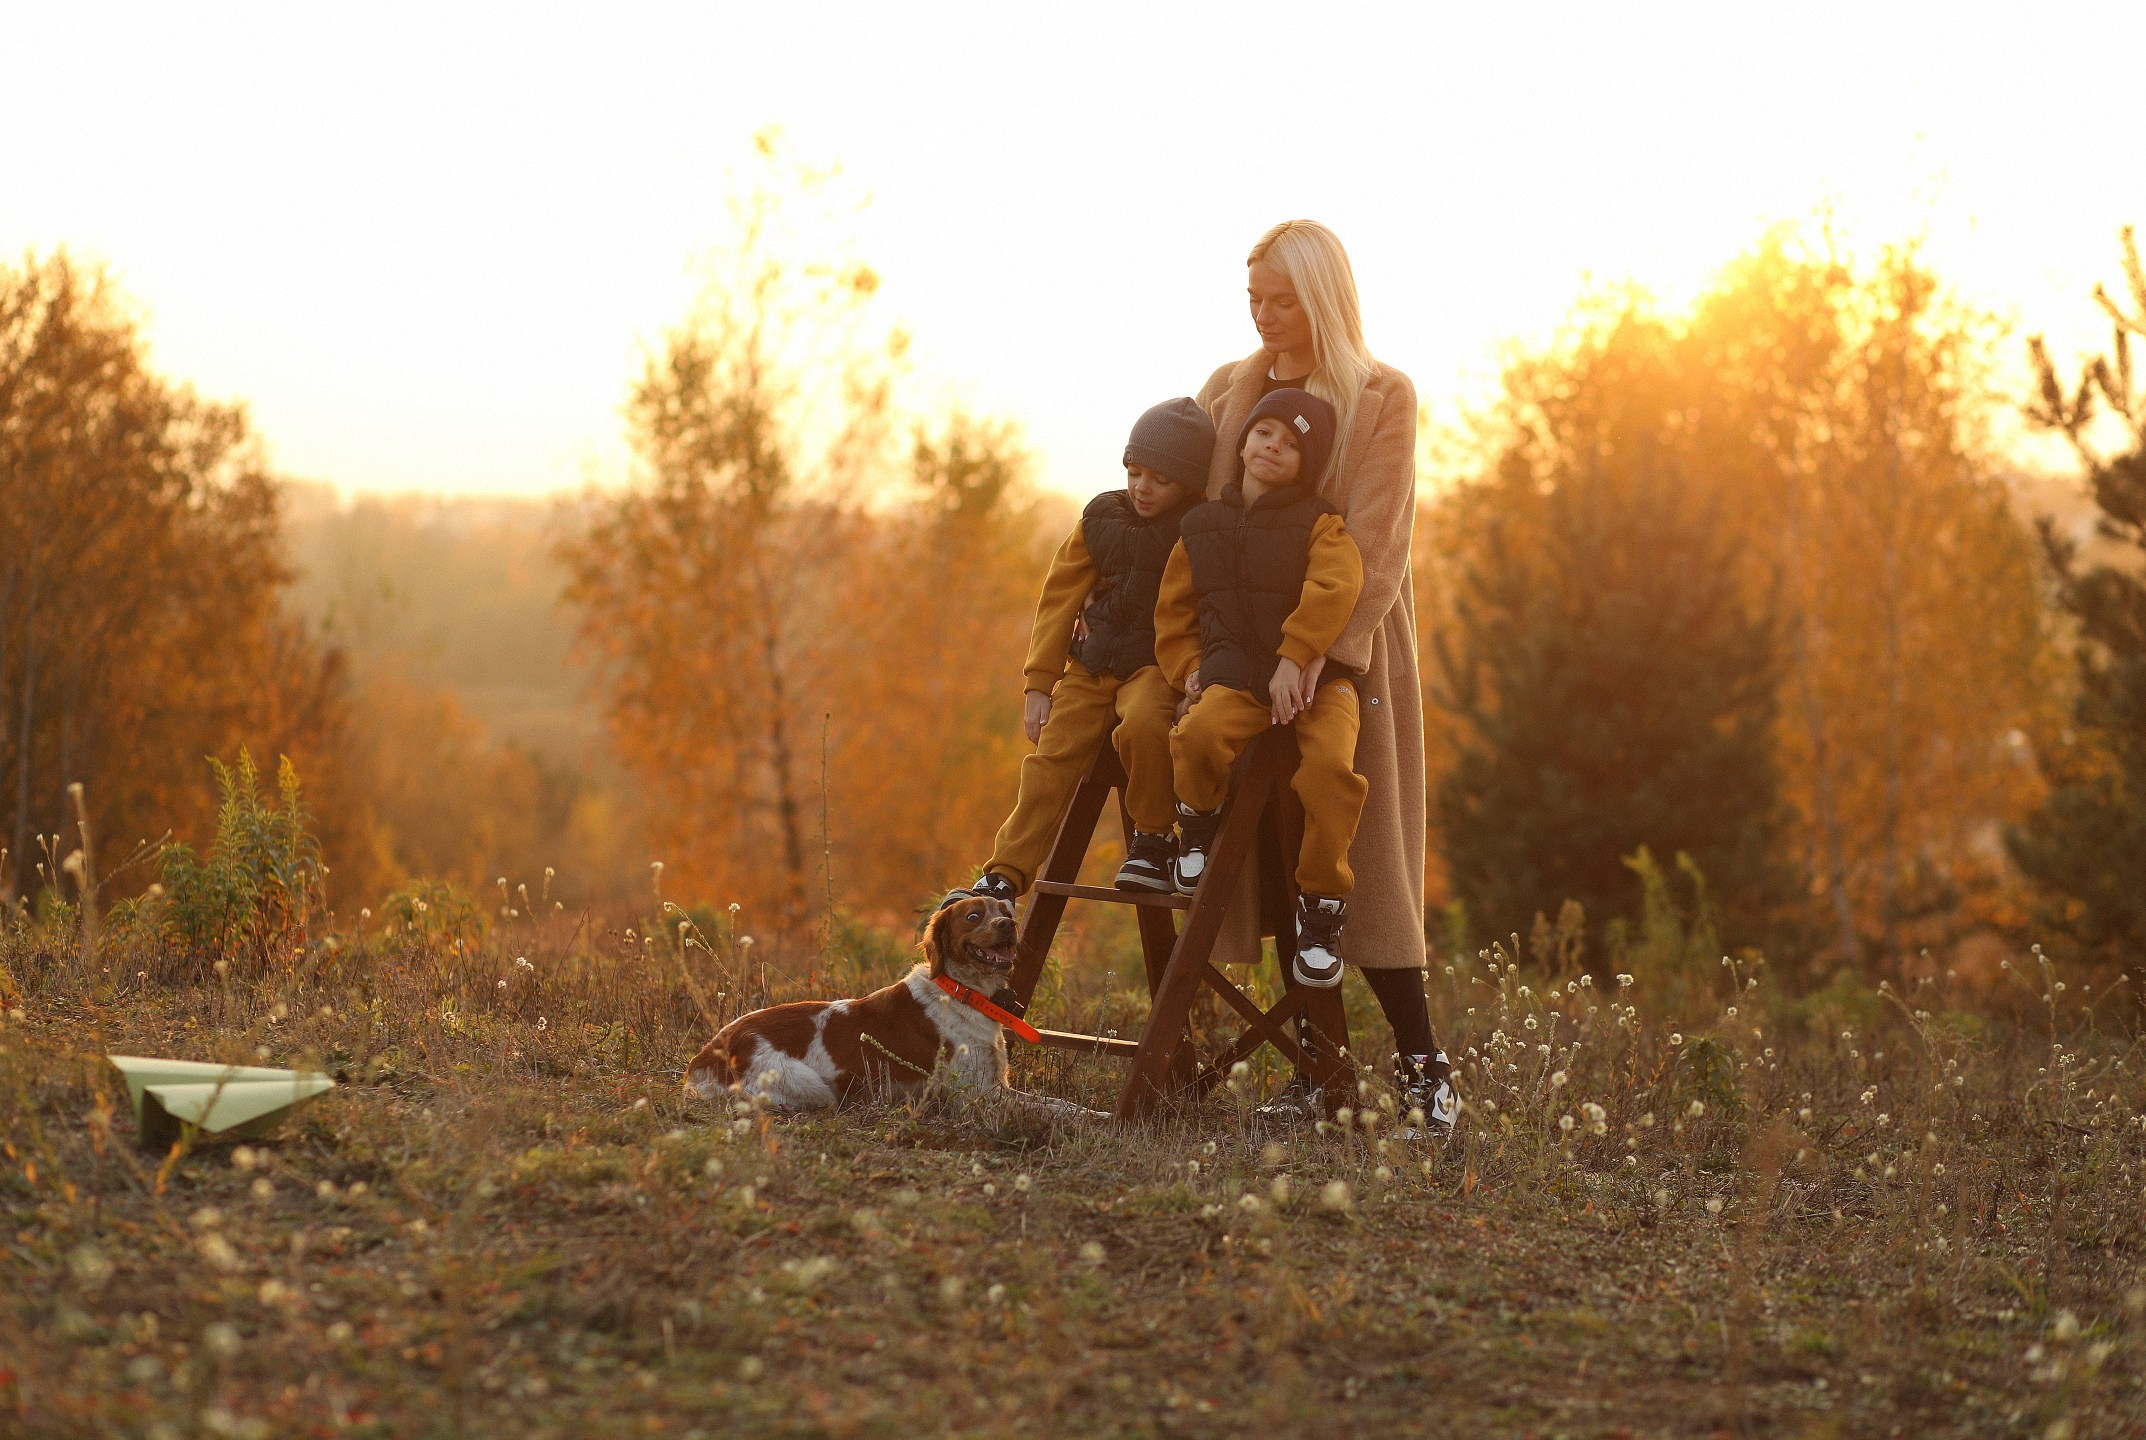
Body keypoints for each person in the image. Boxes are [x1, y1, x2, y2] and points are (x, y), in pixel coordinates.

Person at [1193, 220, 1456, 1136]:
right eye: (1253, 298)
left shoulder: (1383, 396)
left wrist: (1315, 657)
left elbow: (1381, 543)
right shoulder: (1230, 390)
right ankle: (1319, 1072)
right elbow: (1196, 516)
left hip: (1349, 650)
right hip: (1240, 653)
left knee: (1358, 862)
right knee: (1268, 857)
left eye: (1283, 300)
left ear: (1325, 297)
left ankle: (1427, 1073)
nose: (1265, 315)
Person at [953, 398, 1215, 904]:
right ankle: (1005, 874)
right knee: (1051, 756)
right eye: (1136, 472)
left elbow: (1212, 605)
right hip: (1091, 666)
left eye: (1160, 479)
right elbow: (1059, 598)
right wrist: (1038, 684)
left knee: (1144, 726)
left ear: (1187, 482)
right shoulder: (1101, 518)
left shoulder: (1198, 531)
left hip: (1154, 668)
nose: (1143, 487)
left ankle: (1154, 840)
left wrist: (1196, 675)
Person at [1155, 387, 1366, 989]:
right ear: (1242, 443)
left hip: (1318, 685)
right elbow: (1172, 611)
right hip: (1236, 677)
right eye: (1264, 433)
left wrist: (1295, 657)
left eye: (1293, 444)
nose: (1274, 447)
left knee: (1329, 771)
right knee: (1196, 734)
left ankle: (1322, 908)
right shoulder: (1200, 526)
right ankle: (1194, 826)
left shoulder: (1320, 522)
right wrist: (1188, 668)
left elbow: (1336, 588)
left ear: (1308, 462)